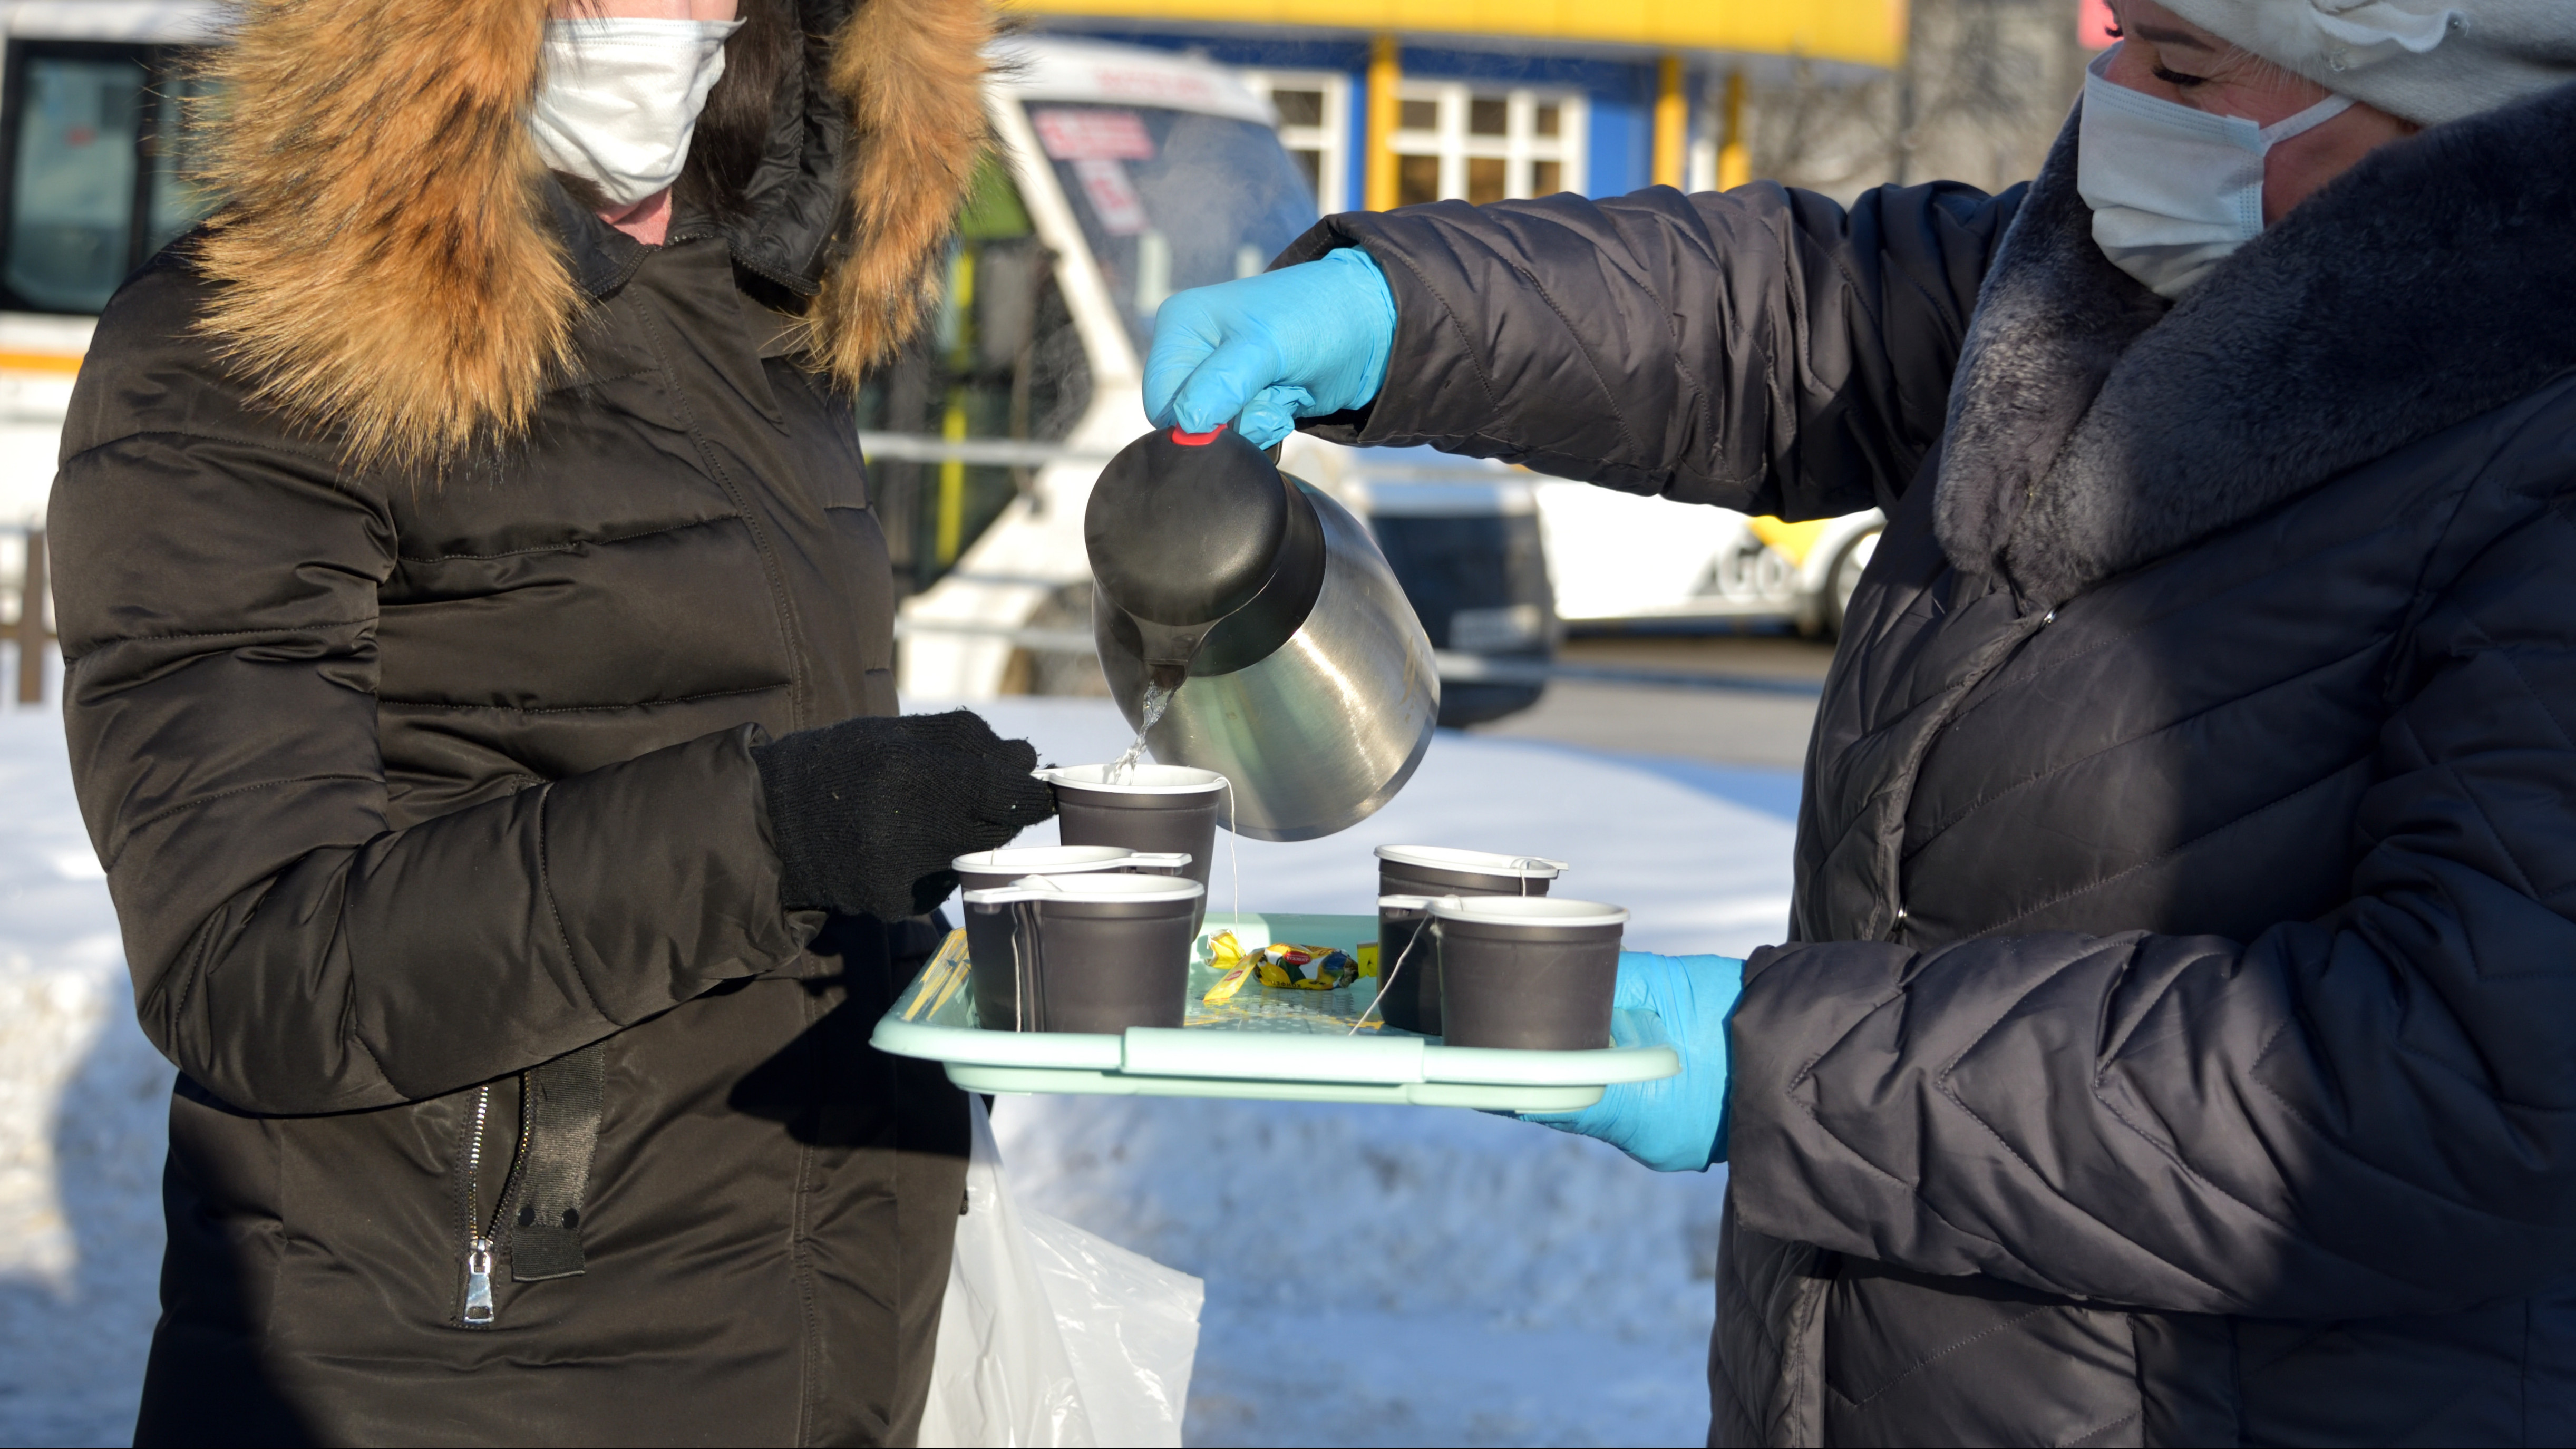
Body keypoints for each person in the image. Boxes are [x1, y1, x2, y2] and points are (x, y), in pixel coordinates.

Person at [1146, 1, 2576, 1442]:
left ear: (2436, 104)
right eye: (2122, 37)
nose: (2116, 91)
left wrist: (1773, 1066)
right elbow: (1781, 314)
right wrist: (1400, 313)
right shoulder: (2118, 283)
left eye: (2181, 64)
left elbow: (2460, 1090)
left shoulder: (2540, 453)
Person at [47, 0, 1055, 1443]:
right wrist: (770, 833)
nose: (691, 13)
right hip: (454, 1371)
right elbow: (248, 957)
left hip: (814, 1341)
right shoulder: (238, 344)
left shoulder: (757, 309)